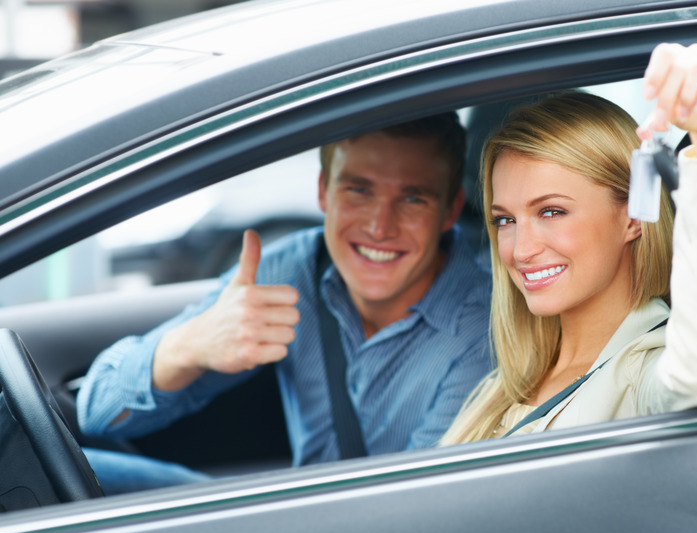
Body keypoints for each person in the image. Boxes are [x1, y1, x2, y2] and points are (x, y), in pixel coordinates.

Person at [78, 113, 492, 492]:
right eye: (358, 190)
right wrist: (189, 346)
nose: (378, 226)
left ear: (450, 210)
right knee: (69, 473)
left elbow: (416, 510)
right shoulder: (293, 271)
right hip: (304, 514)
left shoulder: (483, 328)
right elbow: (96, 410)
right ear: (323, 193)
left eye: (412, 198)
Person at [440, 43, 697, 445]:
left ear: (632, 217)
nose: (520, 251)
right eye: (505, 220)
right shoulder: (508, 382)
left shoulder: (642, 372)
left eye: (551, 212)